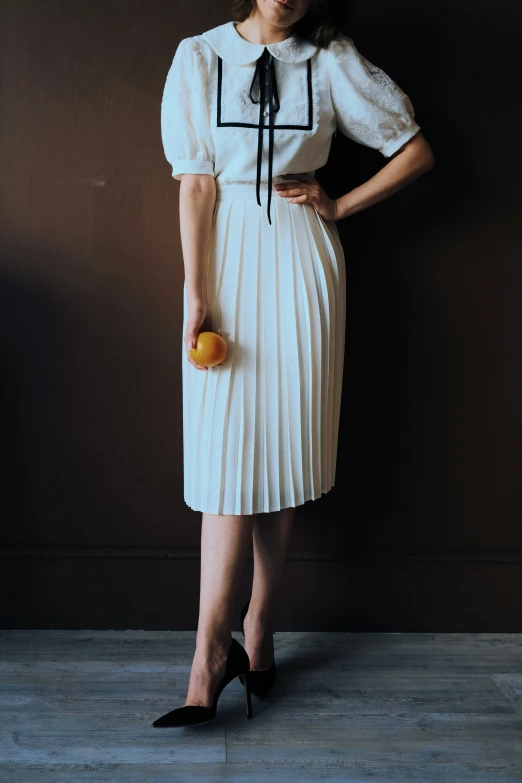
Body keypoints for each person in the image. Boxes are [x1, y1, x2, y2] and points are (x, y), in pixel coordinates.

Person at [152, 0, 435, 728]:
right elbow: (197, 185)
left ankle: (258, 629)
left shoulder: (331, 58)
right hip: (225, 263)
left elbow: (414, 150)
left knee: (282, 457)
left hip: (303, 265)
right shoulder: (202, 57)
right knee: (224, 467)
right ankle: (207, 658)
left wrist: (339, 206)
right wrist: (197, 290)